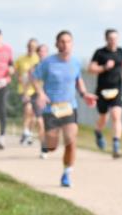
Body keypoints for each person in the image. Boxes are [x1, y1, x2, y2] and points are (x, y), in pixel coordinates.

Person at [31, 31, 97, 187]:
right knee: (52, 146)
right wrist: (40, 93)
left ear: (72, 44)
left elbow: (78, 79)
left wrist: (84, 94)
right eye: (62, 41)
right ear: (56, 44)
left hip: (69, 107)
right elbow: (34, 77)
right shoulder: (48, 62)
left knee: (70, 140)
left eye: (68, 41)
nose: (65, 44)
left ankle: (67, 173)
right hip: (51, 109)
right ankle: (45, 142)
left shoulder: (75, 62)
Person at [88, 28, 122, 158]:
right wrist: (104, 67)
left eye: (115, 38)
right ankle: (98, 132)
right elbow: (91, 68)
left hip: (117, 90)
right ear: (106, 39)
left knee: (116, 116)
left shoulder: (120, 51)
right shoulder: (100, 53)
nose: (113, 41)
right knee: (104, 118)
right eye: (111, 39)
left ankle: (116, 145)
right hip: (102, 91)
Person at [15, 38, 41, 146]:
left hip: (36, 89)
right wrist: (18, 77)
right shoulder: (20, 59)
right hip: (24, 89)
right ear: (27, 47)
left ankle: (29, 133)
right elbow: (15, 70)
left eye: (34, 47)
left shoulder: (39, 59)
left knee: (34, 114)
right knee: (28, 108)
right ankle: (25, 131)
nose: (31, 48)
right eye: (30, 46)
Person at [35, 43, 50, 158]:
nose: (42, 53)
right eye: (40, 51)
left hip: (52, 98)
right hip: (38, 98)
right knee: (40, 123)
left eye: (44, 51)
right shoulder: (34, 68)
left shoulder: (52, 66)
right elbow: (29, 82)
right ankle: (43, 148)